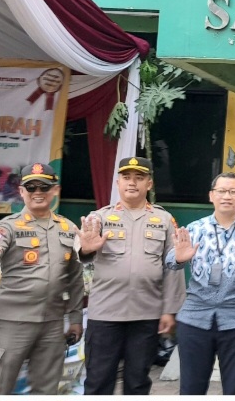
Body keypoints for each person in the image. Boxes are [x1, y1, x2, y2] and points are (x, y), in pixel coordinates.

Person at [78, 157, 186, 395]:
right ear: (117, 183)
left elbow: (173, 266)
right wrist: (86, 249)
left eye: (139, 178)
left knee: (137, 382)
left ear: (149, 184)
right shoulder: (99, 218)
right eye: (126, 177)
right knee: (98, 381)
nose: (132, 183)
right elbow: (81, 258)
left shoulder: (164, 220)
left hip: (146, 313)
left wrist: (169, 310)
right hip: (105, 313)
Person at [166, 172, 235, 395]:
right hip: (195, 318)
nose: (226, 196)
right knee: (191, 389)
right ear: (211, 195)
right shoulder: (194, 229)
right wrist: (179, 258)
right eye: (221, 191)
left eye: (232, 191)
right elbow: (170, 263)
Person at [0, 163, 84, 395]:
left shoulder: (69, 228)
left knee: (46, 389)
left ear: (55, 190)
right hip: (11, 321)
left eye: (44, 187)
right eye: (31, 187)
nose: (38, 192)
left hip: (52, 323)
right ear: (21, 191)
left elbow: (75, 278)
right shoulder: (7, 227)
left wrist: (76, 318)